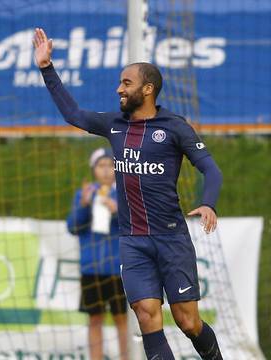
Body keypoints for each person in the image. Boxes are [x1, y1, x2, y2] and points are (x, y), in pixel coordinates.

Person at [33, 28, 223, 360]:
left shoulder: (175, 127)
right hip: (133, 241)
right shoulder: (115, 125)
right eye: (120, 82)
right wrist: (47, 68)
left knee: (188, 322)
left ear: (148, 89)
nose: (119, 89)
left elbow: (211, 169)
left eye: (126, 83)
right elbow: (73, 115)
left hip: (171, 238)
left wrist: (208, 203)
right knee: (147, 315)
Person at [67, 148, 127, 360]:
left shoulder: (124, 194)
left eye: (110, 165)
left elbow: (135, 226)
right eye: (101, 165)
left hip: (118, 269)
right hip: (92, 269)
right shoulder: (83, 194)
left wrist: (118, 210)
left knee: (121, 318)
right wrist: (83, 205)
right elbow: (73, 227)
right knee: (95, 319)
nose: (106, 170)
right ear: (93, 169)